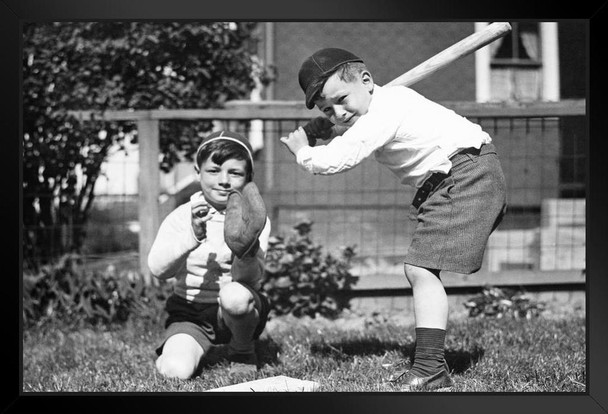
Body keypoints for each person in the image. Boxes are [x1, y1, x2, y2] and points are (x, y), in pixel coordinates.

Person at [280, 47, 507, 391]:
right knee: (420, 268)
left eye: (342, 99)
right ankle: (428, 361)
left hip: (463, 173)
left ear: (367, 81)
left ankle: (430, 368)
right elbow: (354, 131)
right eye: (328, 110)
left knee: (420, 269)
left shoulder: (388, 109)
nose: (339, 113)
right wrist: (332, 127)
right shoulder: (383, 107)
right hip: (455, 175)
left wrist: (303, 151)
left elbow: (335, 160)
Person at [149, 130, 271, 380]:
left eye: (235, 172)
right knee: (176, 371)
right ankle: (182, 347)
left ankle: (242, 349)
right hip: (191, 311)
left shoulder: (255, 218)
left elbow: (251, 281)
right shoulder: (182, 216)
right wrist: (192, 235)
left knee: (235, 295)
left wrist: (245, 250)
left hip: (236, 311)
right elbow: (159, 270)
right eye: (213, 170)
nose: (223, 180)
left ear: (248, 176)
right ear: (198, 172)